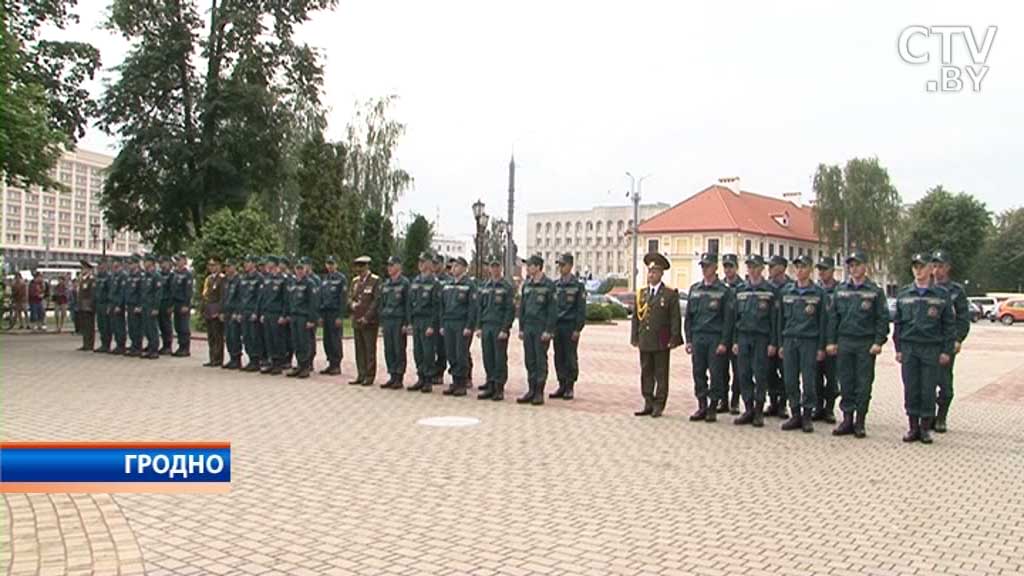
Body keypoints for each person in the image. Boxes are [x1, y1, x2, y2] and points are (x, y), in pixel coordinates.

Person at [894, 253, 955, 445]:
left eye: (922, 266)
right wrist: (898, 348)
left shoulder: (941, 295)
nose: (918, 270)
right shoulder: (904, 293)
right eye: (915, 267)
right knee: (911, 387)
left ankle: (925, 427)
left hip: (931, 347)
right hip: (910, 347)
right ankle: (912, 427)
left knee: (928, 388)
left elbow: (949, 325)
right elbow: (898, 324)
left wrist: (946, 351)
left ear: (930, 269)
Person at [826, 251, 888, 438]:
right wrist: (831, 341)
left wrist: (878, 341)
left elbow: (882, 319)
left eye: (857, 265)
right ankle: (846, 419)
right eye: (851, 266)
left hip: (865, 342)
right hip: (845, 341)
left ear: (865, 267)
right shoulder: (841, 290)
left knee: (863, 383)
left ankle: (860, 421)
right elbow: (833, 318)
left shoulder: (875, 291)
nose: (853, 269)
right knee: (845, 381)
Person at [777, 254, 827, 433]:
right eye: (797, 267)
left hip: (809, 341)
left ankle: (807, 415)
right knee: (789, 379)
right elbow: (779, 321)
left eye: (804, 267)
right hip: (790, 340)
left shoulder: (818, 293)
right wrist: (780, 343)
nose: (800, 270)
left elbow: (823, 322)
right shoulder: (786, 292)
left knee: (808, 380)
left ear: (811, 269)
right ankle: (795, 413)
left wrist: (821, 347)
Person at [685, 252, 735, 423]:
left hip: (715, 337)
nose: (705, 269)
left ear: (715, 267)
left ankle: (713, 406)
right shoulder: (695, 289)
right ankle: (702, 405)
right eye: (703, 266)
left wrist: (724, 342)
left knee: (716, 373)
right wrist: (689, 340)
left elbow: (729, 320)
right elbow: (689, 318)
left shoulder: (724, 291)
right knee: (698, 372)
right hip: (698, 337)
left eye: (707, 266)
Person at [631, 253, 683, 417]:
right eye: (649, 272)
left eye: (654, 272)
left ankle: (659, 404)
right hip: (645, 339)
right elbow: (636, 318)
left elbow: (675, 318)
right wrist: (635, 337)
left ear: (661, 274)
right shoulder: (642, 294)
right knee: (646, 371)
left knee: (661, 373)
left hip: (661, 340)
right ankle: (648, 401)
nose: (651, 275)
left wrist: (674, 337)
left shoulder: (669, 294)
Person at [731, 254, 778, 427]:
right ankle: (748, 408)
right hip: (743, 336)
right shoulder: (740, 290)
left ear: (762, 269)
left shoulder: (770, 290)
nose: (752, 270)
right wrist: (735, 340)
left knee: (760, 373)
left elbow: (775, 319)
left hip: (761, 337)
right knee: (743, 373)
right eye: (749, 266)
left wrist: (774, 342)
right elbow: (734, 318)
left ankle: (759, 410)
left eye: (755, 267)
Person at [930, 250, 970, 433]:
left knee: (945, 384)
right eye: (934, 266)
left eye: (940, 266)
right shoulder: (926, 288)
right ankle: (928, 416)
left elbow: (963, 318)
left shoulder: (956, 291)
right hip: (928, 342)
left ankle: (941, 417)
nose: (937, 270)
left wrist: (958, 339)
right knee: (926, 383)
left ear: (948, 267)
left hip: (946, 343)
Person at [517, 254, 557, 405]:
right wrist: (521, 328)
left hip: (541, 327)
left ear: (538, 267)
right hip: (528, 327)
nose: (528, 268)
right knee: (529, 359)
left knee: (540, 359)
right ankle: (531, 389)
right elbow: (522, 308)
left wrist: (549, 330)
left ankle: (539, 391)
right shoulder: (527, 284)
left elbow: (552, 311)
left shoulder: (548, 285)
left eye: (530, 265)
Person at [477, 258, 515, 401]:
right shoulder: (484, 286)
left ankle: (499, 387)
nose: (494, 269)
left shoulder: (506, 287)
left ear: (501, 268)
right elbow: (480, 308)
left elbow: (509, 310)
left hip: (499, 326)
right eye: (492, 267)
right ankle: (490, 383)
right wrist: (479, 326)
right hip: (486, 325)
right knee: (488, 356)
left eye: (496, 266)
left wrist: (505, 328)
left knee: (499, 357)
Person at [440, 256, 477, 396]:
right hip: (449, 322)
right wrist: (442, 324)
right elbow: (442, 306)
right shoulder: (448, 284)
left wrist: (469, 326)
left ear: (463, 268)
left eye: (456, 266)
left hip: (461, 323)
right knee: (451, 353)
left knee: (461, 353)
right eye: (453, 266)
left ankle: (462, 382)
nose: (453, 268)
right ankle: (454, 381)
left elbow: (473, 308)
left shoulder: (469, 285)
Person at [552, 253, 587, 400]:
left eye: (563, 265)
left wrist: (578, 329)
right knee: (558, 356)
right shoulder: (555, 285)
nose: (560, 268)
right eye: (559, 265)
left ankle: (570, 386)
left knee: (570, 357)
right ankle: (561, 384)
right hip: (557, 326)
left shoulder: (578, 286)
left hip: (570, 326)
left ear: (570, 266)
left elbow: (581, 309)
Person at [407, 252, 442, 392]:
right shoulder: (415, 281)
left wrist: (432, 325)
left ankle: (428, 379)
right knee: (418, 350)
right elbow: (409, 303)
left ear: (429, 263)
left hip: (428, 320)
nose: (420, 264)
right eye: (419, 262)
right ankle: (420, 377)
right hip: (417, 320)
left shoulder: (434, 283)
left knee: (428, 351)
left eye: (423, 262)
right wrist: (410, 322)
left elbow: (436, 307)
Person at [814, 256, 840, 424]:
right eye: (820, 269)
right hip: (816, 339)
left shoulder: (839, 290)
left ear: (832, 270)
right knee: (815, 376)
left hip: (833, 341)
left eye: (825, 269)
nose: (822, 272)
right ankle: (817, 406)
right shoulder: (815, 291)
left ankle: (829, 408)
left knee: (831, 377)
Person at [765, 255, 792, 418]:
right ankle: (773, 401)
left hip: (785, 338)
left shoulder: (791, 288)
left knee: (786, 373)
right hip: (768, 337)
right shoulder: (766, 288)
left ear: (782, 268)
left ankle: (783, 403)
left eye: (773, 266)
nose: (770, 269)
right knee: (768, 372)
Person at [379, 256, 412, 389]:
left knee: (399, 348)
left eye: (392, 265)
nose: (389, 268)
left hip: (398, 320)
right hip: (388, 319)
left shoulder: (405, 283)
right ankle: (392, 374)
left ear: (398, 266)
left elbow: (407, 304)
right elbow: (382, 303)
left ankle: (399, 376)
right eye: (388, 265)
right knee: (389, 349)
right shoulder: (386, 284)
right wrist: (381, 322)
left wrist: (406, 323)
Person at [349, 256, 381, 386]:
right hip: (357, 319)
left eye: (362, 267)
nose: (359, 269)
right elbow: (350, 296)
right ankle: (360, 374)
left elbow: (376, 301)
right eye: (357, 267)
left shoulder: (375, 280)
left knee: (369, 349)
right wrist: (351, 305)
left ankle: (369, 375)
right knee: (359, 349)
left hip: (369, 321)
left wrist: (367, 317)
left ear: (367, 267)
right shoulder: (355, 281)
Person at [287, 257, 320, 378]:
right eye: (297, 268)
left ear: (305, 269)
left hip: (304, 317)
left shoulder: (310, 283)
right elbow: (290, 300)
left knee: (304, 342)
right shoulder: (293, 283)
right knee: (296, 342)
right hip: (294, 316)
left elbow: (313, 303)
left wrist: (312, 320)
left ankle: (306, 366)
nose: (299, 271)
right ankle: (300, 364)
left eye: (302, 268)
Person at [720, 253, 743, 414]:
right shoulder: (719, 287)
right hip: (721, 335)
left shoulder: (743, 287)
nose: (728, 270)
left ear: (736, 267)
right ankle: (723, 400)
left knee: (738, 371)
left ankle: (735, 401)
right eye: (725, 266)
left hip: (737, 335)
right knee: (721, 370)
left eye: (731, 266)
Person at [319, 256, 348, 375]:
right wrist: (320, 315)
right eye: (328, 264)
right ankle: (330, 362)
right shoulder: (325, 279)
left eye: (332, 264)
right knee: (327, 339)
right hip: (326, 312)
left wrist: (340, 316)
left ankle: (336, 364)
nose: (330, 266)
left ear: (336, 265)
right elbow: (321, 297)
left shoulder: (341, 279)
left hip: (335, 312)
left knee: (335, 339)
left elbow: (343, 298)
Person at [239, 255, 265, 372]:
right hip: (244, 310)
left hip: (253, 311)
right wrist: (240, 311)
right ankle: (250, 358)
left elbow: (259, 297)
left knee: (255, 336)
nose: (246, 264)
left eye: (248, 262)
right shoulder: (244, 278)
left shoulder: (259, 278)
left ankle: (256, 360)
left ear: (254, 264)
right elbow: (241, 296)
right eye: (245, 262)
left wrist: (256, 312)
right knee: (246, 336)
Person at [203, 257, 226, 367]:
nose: (212, 267)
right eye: (210, 265)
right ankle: (212, 357)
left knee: (217, 335)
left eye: (214, 265)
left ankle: (218, 359)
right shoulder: (209, 279)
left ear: (219, 266)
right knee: (211, 335)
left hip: (216, 309)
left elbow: (222, 296)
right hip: (208, 309)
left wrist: (220, 311)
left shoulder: (221, 279)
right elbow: (205, 295)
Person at [220, 259, 243, 369]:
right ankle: (231, 358)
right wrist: (221, 311)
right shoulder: (225, 280)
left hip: (234, 312)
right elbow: (223, 297)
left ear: (235, 267)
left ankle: (237, 359)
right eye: (226, 267)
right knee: (228, 336)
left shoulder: (239, 280)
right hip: (227, 311)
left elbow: (241, 298)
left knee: (235, 336)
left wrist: (237, 312)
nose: (228, 269)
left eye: (230, 266)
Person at [432, 253, 451, 384]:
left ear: (442, 265)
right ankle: (434, 372)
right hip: (432, 317)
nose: (434, 266)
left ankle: (440, 372)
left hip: (443, 318)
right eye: (433, 263)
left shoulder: (447, 280)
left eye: (436, 263)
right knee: (432, 347)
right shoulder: (430, 280)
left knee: (443, 348)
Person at [171, 253, 194, 356]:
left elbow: (188, 291)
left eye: (179, 260)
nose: (178, 262)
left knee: (184, 326)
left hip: (183, 302)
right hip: (175, 302)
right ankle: (180, 346)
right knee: (177, 326)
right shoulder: (174, 273)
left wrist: (186, 304)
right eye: (177, 260)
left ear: (184, 261)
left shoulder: (187, 274)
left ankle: (185, 348)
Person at [140, 255, 163, 359]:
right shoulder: (145, 276)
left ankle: (154, 350)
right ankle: (149, 348)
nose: (144, 264)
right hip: (145, 305)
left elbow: (158, 293)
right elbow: (143, 292)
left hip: (151, 306)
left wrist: (156, 308)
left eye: (146, 262)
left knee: (152, 329)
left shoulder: (156, 276)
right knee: (147, 329)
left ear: (151, 263)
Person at [125, 255, 145, 356]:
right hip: (130, 304)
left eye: (131, 263)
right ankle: (133, 345)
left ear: (137, 264)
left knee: (137, 327)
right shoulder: (130, 276)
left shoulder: (140, 276)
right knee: (131, 327)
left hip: (136, 305)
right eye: (129, 264)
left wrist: (140, 305)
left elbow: (142, 292)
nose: (130, 265)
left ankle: (138, 346)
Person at [76, 261, 96, 351]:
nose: (82, 270)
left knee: (89, 326)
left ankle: (90, 344)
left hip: (88, 306)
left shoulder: (91, 279)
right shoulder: (82, 279)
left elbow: (92, 294)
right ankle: (85, 343)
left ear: (88, 269)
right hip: (82, 305)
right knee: (84, 325)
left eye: (84, 268)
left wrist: (90, 305)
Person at [109, 259, 128, 354]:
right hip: (112, 303)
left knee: (119, 325)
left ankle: (121, 345)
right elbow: (111, 291)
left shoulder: (123, 276)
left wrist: (119, 305)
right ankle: (117, 344)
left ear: (121, 266)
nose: (114, 268)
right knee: (114, 326)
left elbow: (122, 292)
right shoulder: (113, 276)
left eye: (116, 267)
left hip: (118, 304)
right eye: (113, 267)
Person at [157, 255, 175, 354]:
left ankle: (168, 345)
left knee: (166, 325)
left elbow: (173, 291)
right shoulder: (159, 274)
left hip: (167, 302)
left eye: (164, 263)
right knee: (161, 325)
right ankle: (164, 345)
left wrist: (171, 305)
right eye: (161, 263)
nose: (162, 265)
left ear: (169, 264)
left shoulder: (172, 276)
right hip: (160, 302)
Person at [94, 262, 110, 350]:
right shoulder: (98, 277)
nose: (99, 268)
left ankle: (107, 344)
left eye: (100, 266)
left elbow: (110, 291)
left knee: (106, 325)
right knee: (100, 325)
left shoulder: (108, 277)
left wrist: (109, 305)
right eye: (98, 266)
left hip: (105, 303)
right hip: (99, 303)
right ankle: (103, 343)